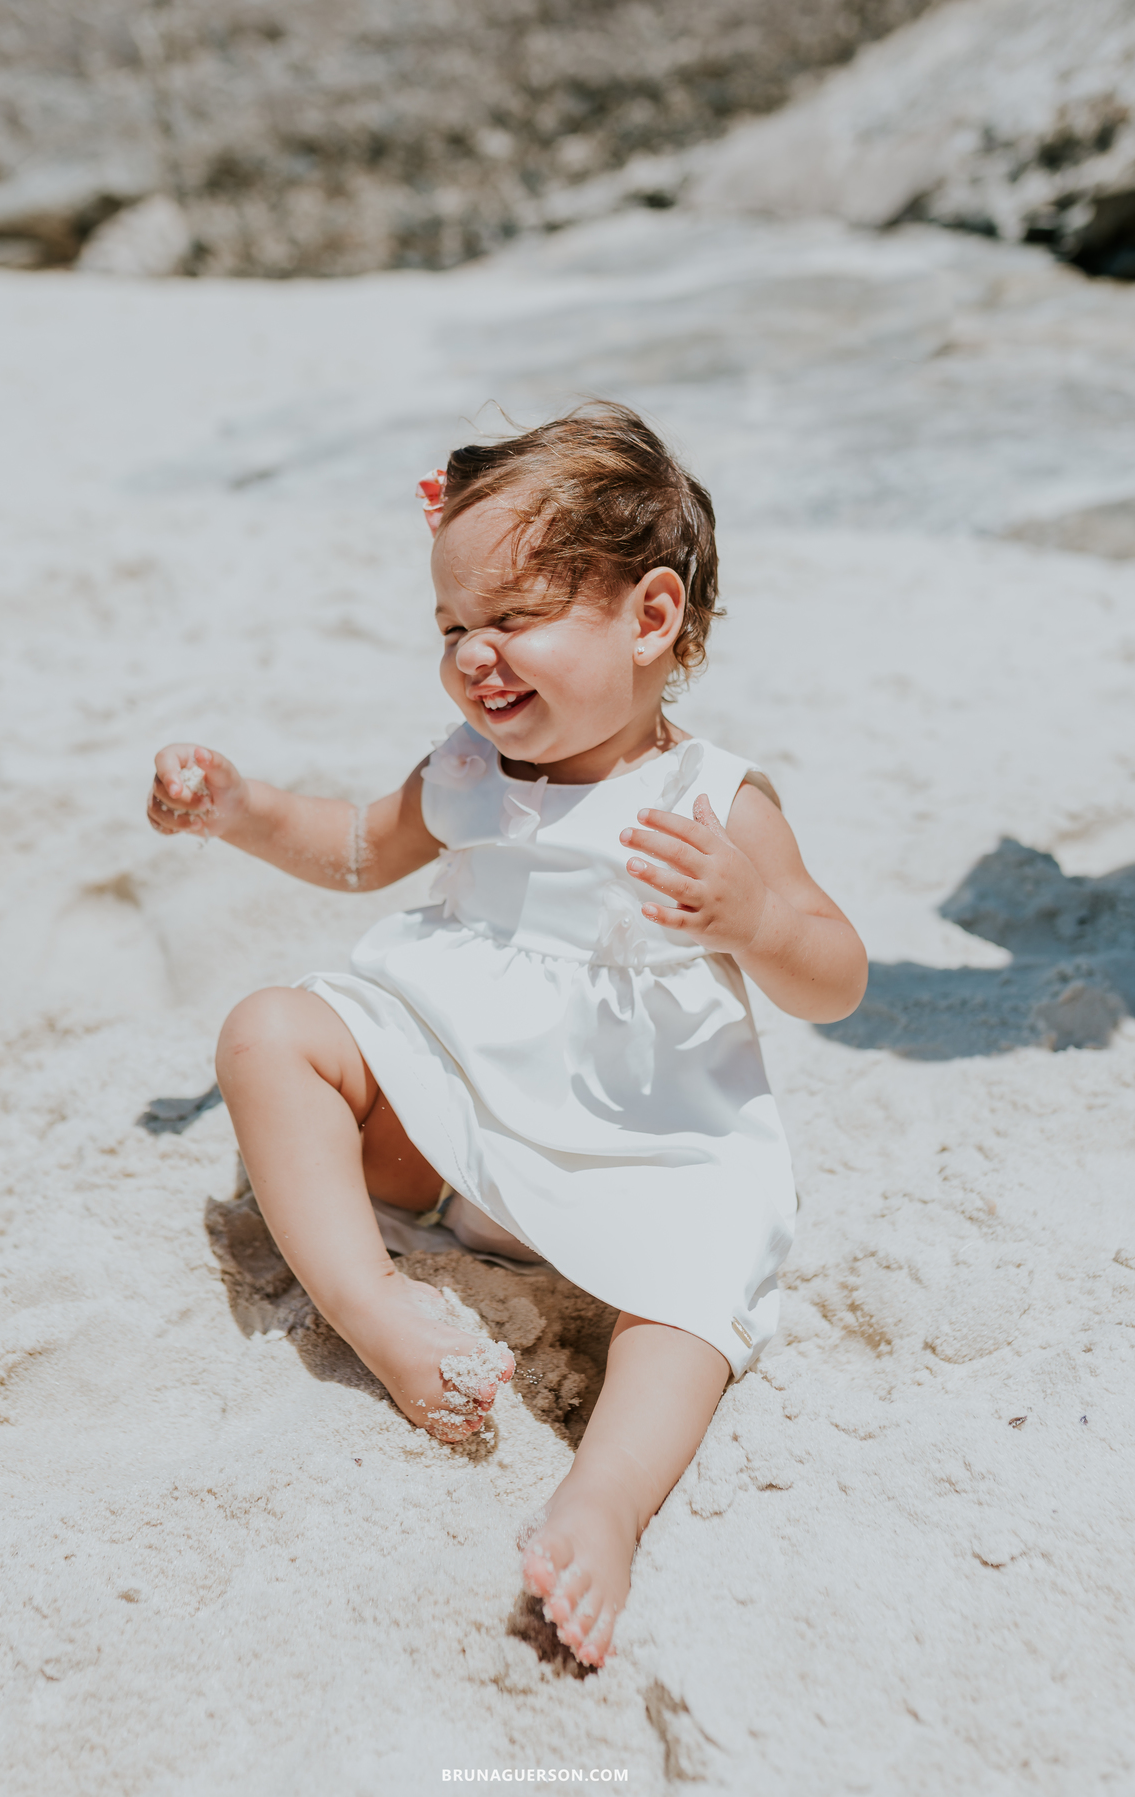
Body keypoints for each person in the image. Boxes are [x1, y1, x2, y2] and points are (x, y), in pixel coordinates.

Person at [147, 402, 867, 1669]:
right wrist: (244, 808)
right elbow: (362, 848)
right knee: (268, 1032)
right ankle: (376, 1310)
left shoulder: (710, 800)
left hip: (633, 1138)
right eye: (452, 629)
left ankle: (603, 1503)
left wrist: (753, 915)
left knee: (695, 1302)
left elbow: (836, 976)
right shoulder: (472, 769)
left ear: (650, 619)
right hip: (449, 1114)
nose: (477, 658)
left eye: (515, 620)